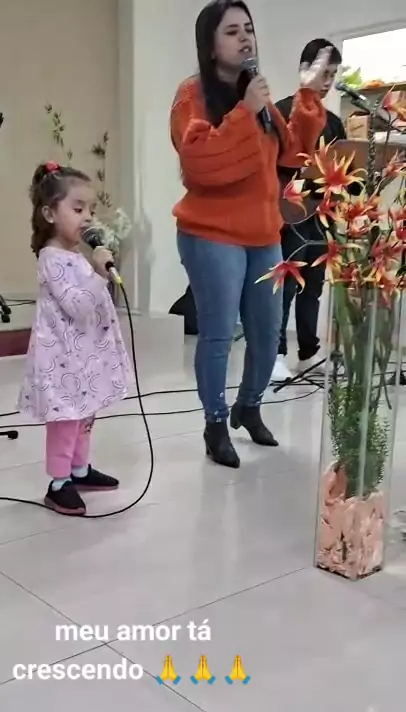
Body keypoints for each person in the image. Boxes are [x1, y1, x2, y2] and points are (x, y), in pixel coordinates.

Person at [170, 0, 330, 468]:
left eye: (248, 29)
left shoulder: (254, 93)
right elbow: (202, 163)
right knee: (219, 333)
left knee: (266, 332)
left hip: (263, 234)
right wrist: (245, 110)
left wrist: (307, 98)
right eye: (232, 31)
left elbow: (290, 155)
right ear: (210, 45)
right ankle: (215, 423)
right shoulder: (193, 95)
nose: (245, 38)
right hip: (210, 233)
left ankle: (249, 406)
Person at [18, 161, 132, 516]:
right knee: (66, 420)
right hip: (62, 359)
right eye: (78, 209)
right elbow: (78, 306)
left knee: (84, 415)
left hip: (82, 356)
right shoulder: (52, 259)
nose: (88, 217)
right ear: (50, 213)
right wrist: (98, 274)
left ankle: (80, 470)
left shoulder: (75, 255)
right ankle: (58, 482)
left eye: (91, 210)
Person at [273, 38, 346, 382]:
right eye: (323, 73)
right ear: (304, 70)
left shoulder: (334, 123)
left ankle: (308, 351)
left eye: (333, 74)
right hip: (288, 214)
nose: (328, 81)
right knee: (285, 285)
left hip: (322, 216)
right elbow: (271, 164)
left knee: (312, 287)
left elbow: (343, 168)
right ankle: (275, 352)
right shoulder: (280, 112)